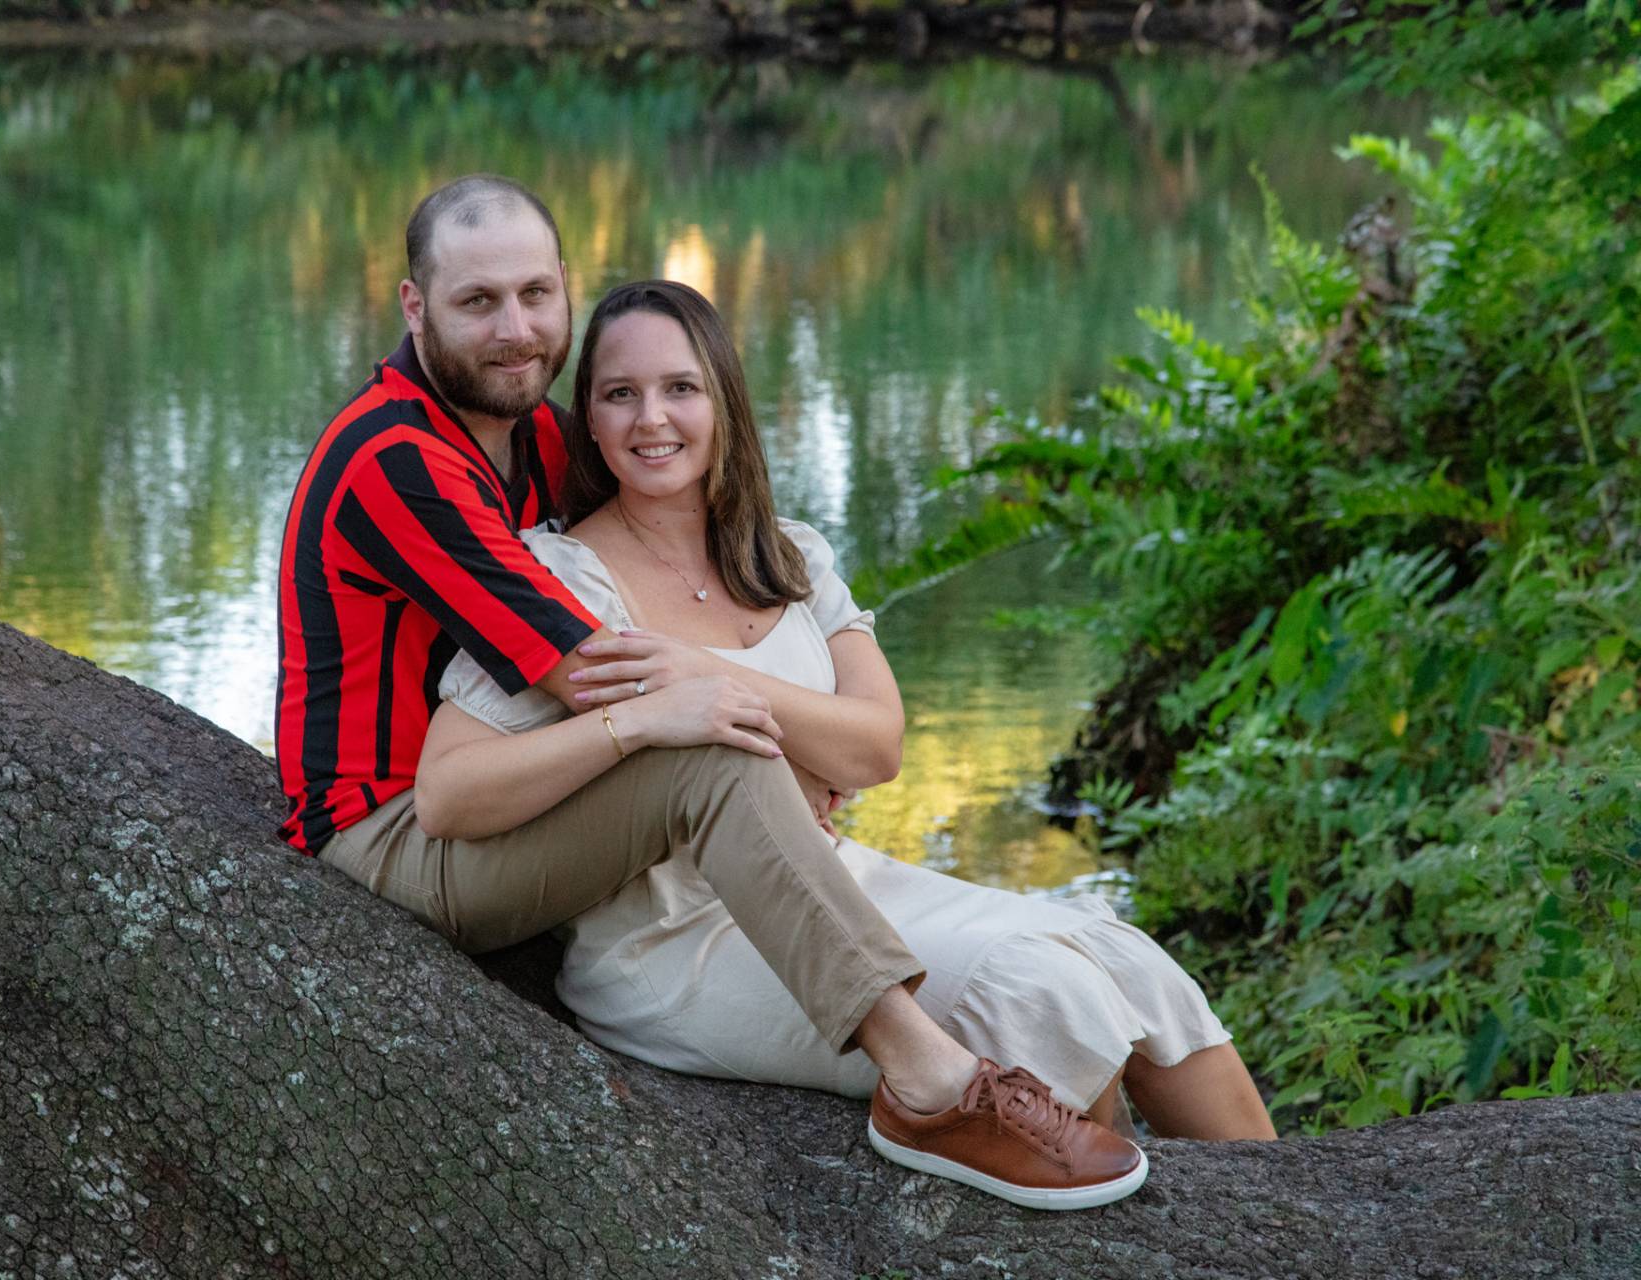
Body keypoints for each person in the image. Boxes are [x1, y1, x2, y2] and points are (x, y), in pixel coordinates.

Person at [274, 176, 1211, 1216]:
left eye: (537, 295)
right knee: (708, 750)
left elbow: (669, 589)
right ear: (415, 308)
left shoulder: (541, 432)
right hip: (391, 822)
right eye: (477, 302)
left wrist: (765, 727)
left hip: (518, 792)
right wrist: (781, 749)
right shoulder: (396, 460)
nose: (516, 329)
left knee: (1098, 953)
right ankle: (930, 1081)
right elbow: (601, 669)